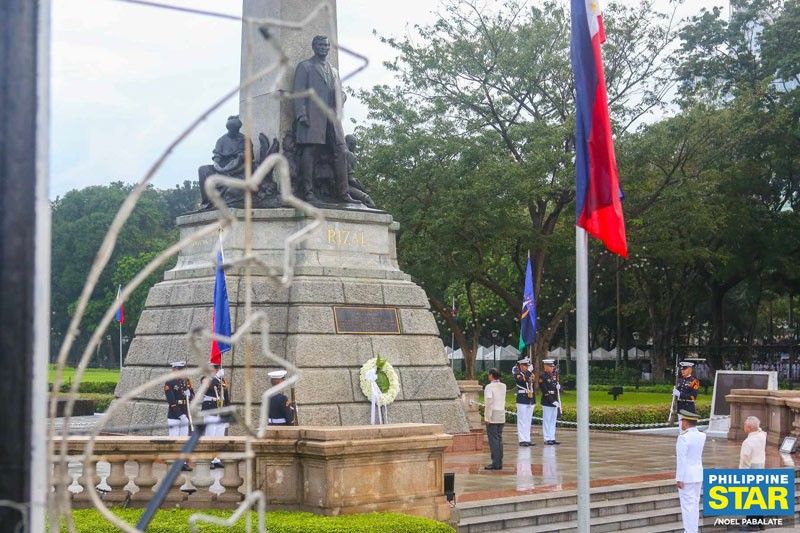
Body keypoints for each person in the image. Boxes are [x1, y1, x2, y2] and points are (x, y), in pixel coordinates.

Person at [292, 35, 355, 204]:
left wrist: (342, 97)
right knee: (310, 151)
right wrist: (301, 115)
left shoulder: (334, 71)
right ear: (314, 46)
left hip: (332, 119)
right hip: (312, 117)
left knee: (342, 152)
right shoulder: (305, 67)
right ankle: (308, 193)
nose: (323, 47)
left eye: (326, 45)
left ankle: (343, 193)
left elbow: (338, 92)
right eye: (320, 45)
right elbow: (298, 93)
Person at [197, 115, 253, 209]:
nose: (233, 131)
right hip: (221, 167)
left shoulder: (244, 140)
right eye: (231, 129)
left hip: (238, 168)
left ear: (238, 128)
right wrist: (217, 165)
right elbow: (217, 156)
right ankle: (207, 201)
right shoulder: (221, 140)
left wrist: (231, 166)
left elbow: (246, 157)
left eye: (235, 129)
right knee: (203, 169)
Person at [675, 409, 706, 533]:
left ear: (686, 422)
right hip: (698, 475)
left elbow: (681, 460)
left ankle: (689, 531)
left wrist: (679, 478)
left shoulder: (683, 438)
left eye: (682, 421)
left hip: (687, 476)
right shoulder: (702, 435)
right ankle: (693, 530)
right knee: (694, 506)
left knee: (687, 507)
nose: (681, 424)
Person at [164, 361, 194, 471]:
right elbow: (171, 401)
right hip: (174, 415)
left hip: (185, 413)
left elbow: (192, 395)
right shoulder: (170, 382)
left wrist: (189, 395)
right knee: (175, 439)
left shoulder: (186, 382)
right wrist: (180, 415)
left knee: (184, 440)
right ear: (174, 370)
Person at [201, 364, 230, 469]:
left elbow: (226, 396)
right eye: (215, 368)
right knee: (210, 435)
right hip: (210, 410)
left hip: (220, 410)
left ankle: (216, 458)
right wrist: (216, 376)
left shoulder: (221, 380)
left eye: (218, 368)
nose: (217, 369)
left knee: (219, 436)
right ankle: (209, 459)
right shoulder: (206, 379)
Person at [483, 368, 507, 470]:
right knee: (499, 439)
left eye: (489, 374)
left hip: (493, 414)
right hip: (501, 413)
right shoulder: (503, 386)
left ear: (492, 375)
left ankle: (495, 463)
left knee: (493, 440)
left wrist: (487, 416)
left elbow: (489, 402)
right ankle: (499, 461)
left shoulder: (489, 387)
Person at [512, 357, 536, 447]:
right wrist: (529, 372)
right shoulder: (517, 374)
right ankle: (522, 440)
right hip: (522, 399)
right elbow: (522, 381)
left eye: (528, 365)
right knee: (522, 420)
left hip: (530, 398)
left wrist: (529, 373)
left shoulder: (529, 374)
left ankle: (527, 438)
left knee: (528, 420)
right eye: (525, 365)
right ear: (521, 366)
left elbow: (532, 383)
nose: (527, 367)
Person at [539, 359, 560, 445]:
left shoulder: (554, 376)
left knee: (553, 420)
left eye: (552, 366)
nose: (552, 368)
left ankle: (552, 437)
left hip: (554, 399)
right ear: (546, 367)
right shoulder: (542, 376)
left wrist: (559, 387)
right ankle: (547, 438)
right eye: (550, 366)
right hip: (547, 401)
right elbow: (545, 391)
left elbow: (556, 389)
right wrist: (552, 401)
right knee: (547, 420)